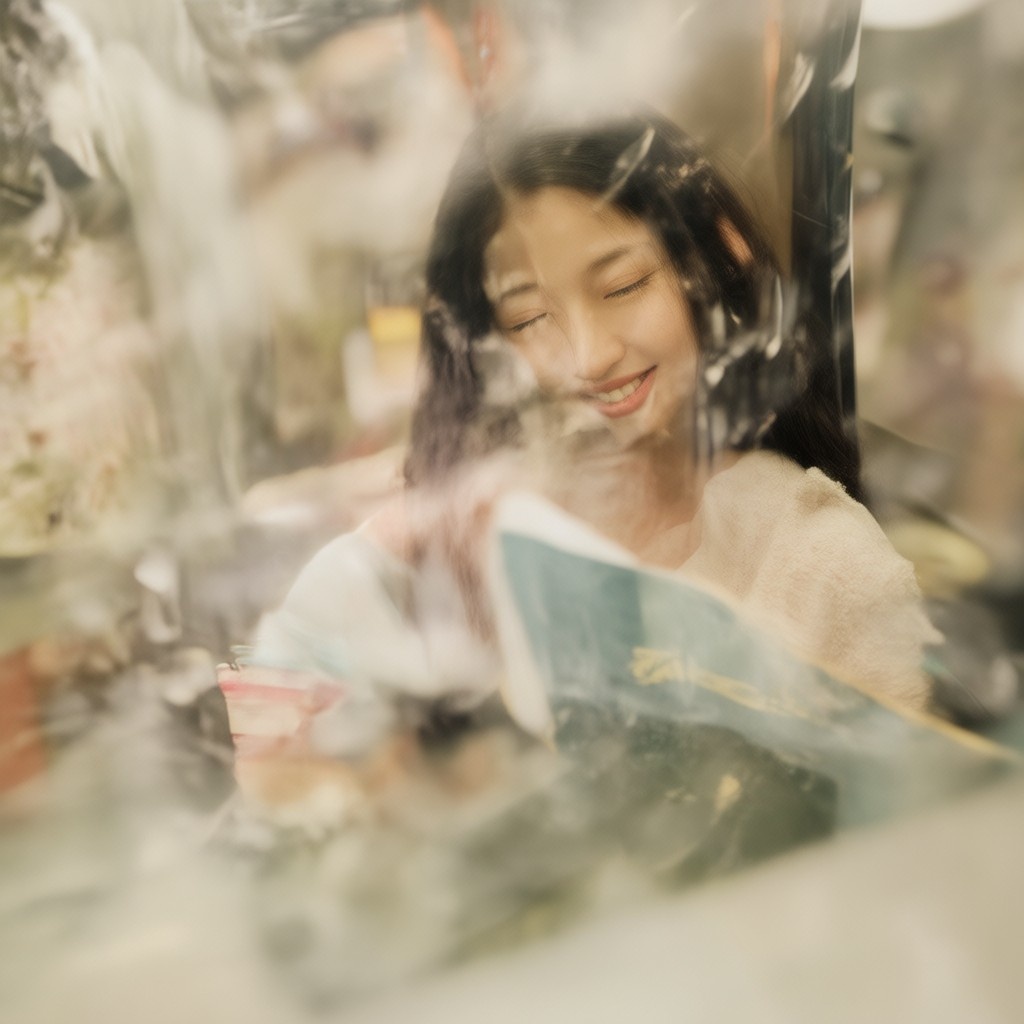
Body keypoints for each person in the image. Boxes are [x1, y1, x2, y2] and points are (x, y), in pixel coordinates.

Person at [250, 108, 937, 753]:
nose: (587, 357)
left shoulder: (822, 565)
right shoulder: (491, 518)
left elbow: (899, 808)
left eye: (623, 286)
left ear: (710, 256)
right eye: (527, 319)